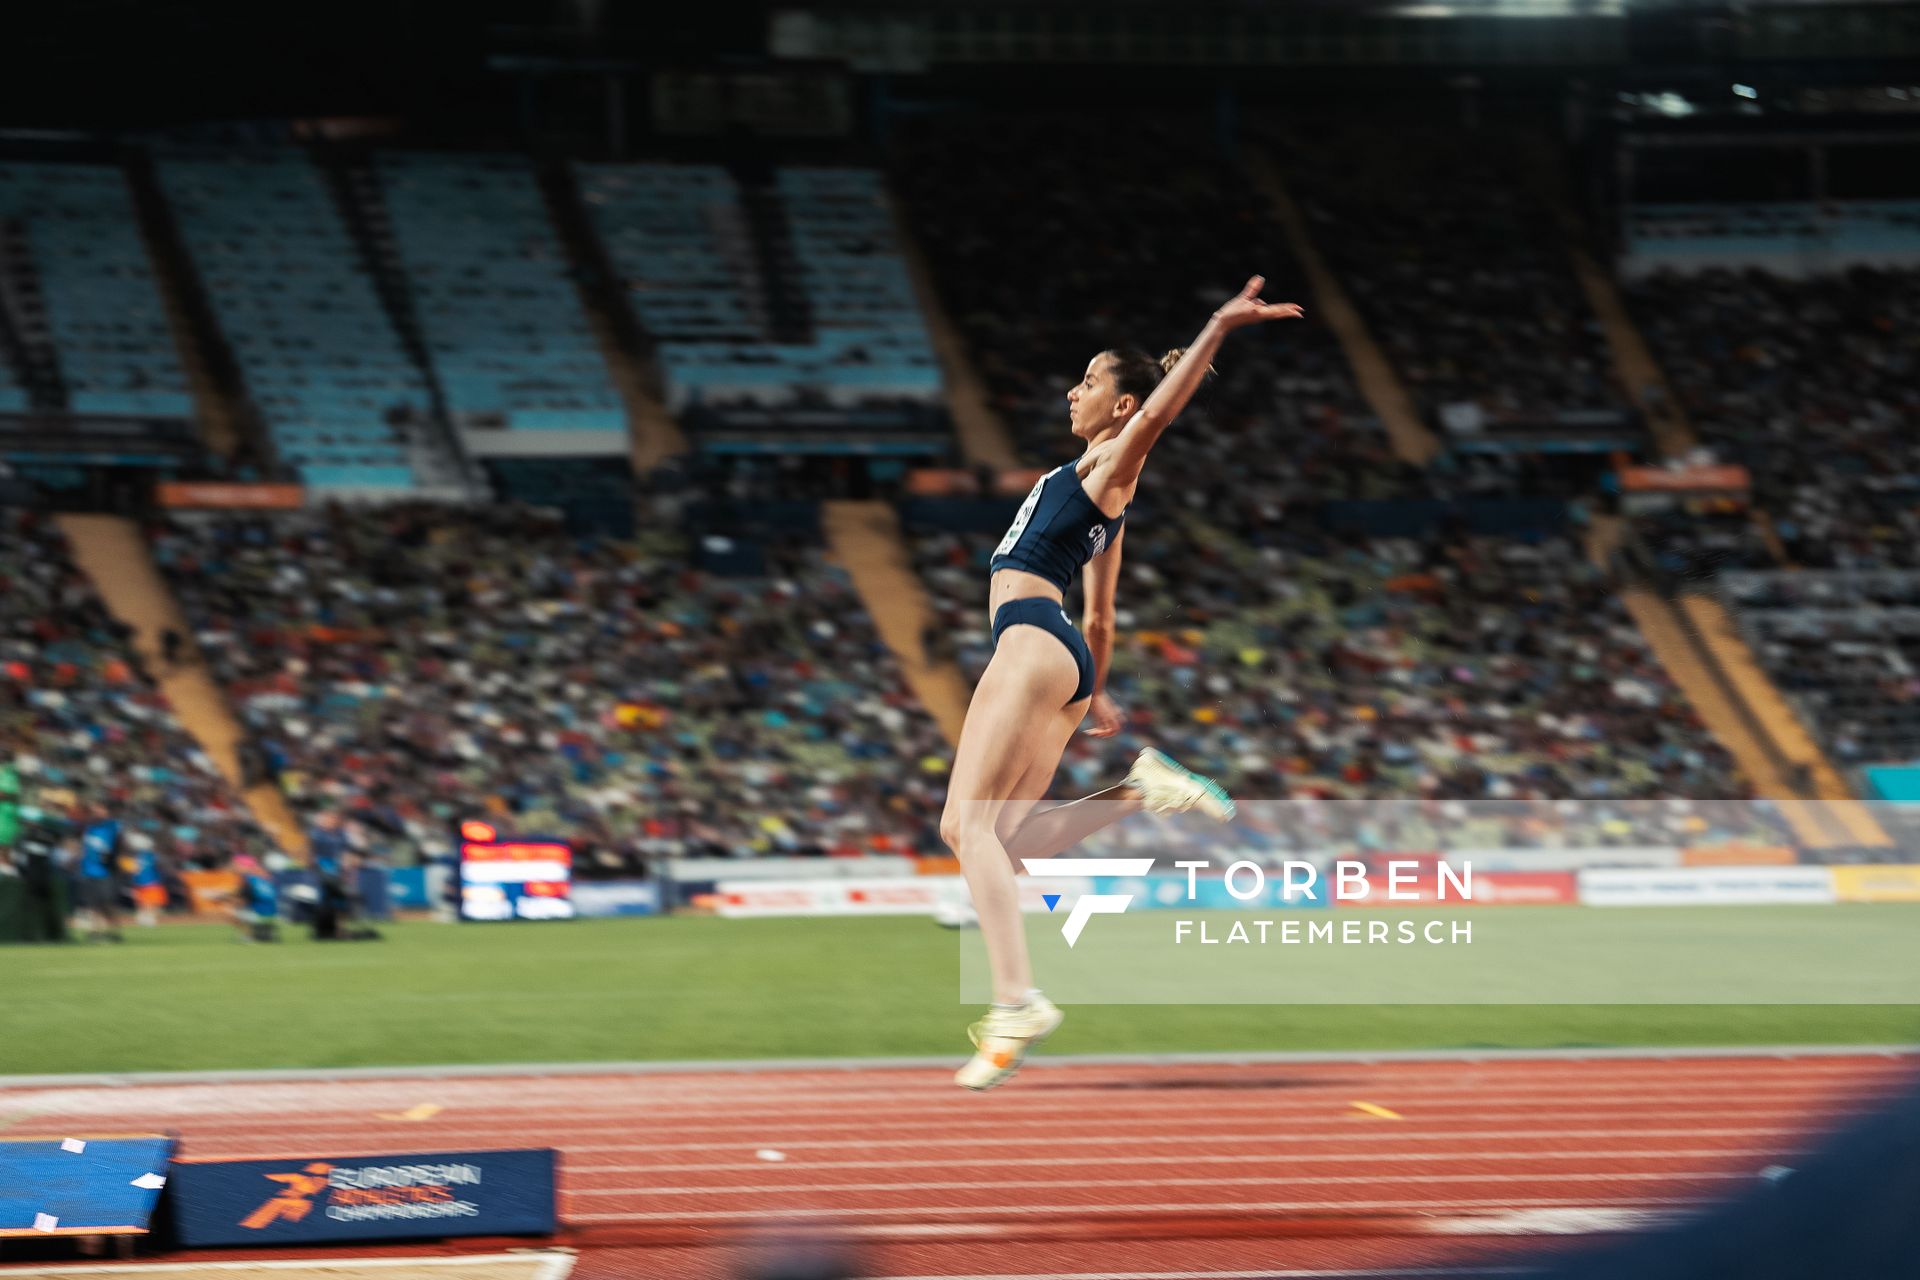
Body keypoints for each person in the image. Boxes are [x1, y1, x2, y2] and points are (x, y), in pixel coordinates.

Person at [945, 276, 1303, 1091]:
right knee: (1004, 840)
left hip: (1030, 639)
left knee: (965, 829)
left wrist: (1214, 326)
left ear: (1121, 405)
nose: (1075, 391)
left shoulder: (1111, 463)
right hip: (1060, 653)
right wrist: (1093, 692)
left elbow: (1161, 416)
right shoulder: (1094, 491)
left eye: (1091, 381)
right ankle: (1139, 789)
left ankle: (1016, 1002)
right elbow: (1101, 620)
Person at [75, 809, 124, 943]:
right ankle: (95, 931)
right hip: (88, 871)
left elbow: (117, 843)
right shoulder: (89, 830)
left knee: (107, 903)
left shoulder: (111, 828)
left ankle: (113, 930)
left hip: (105, 872)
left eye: (101, 811)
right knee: (92, 904)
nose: (97, 814)